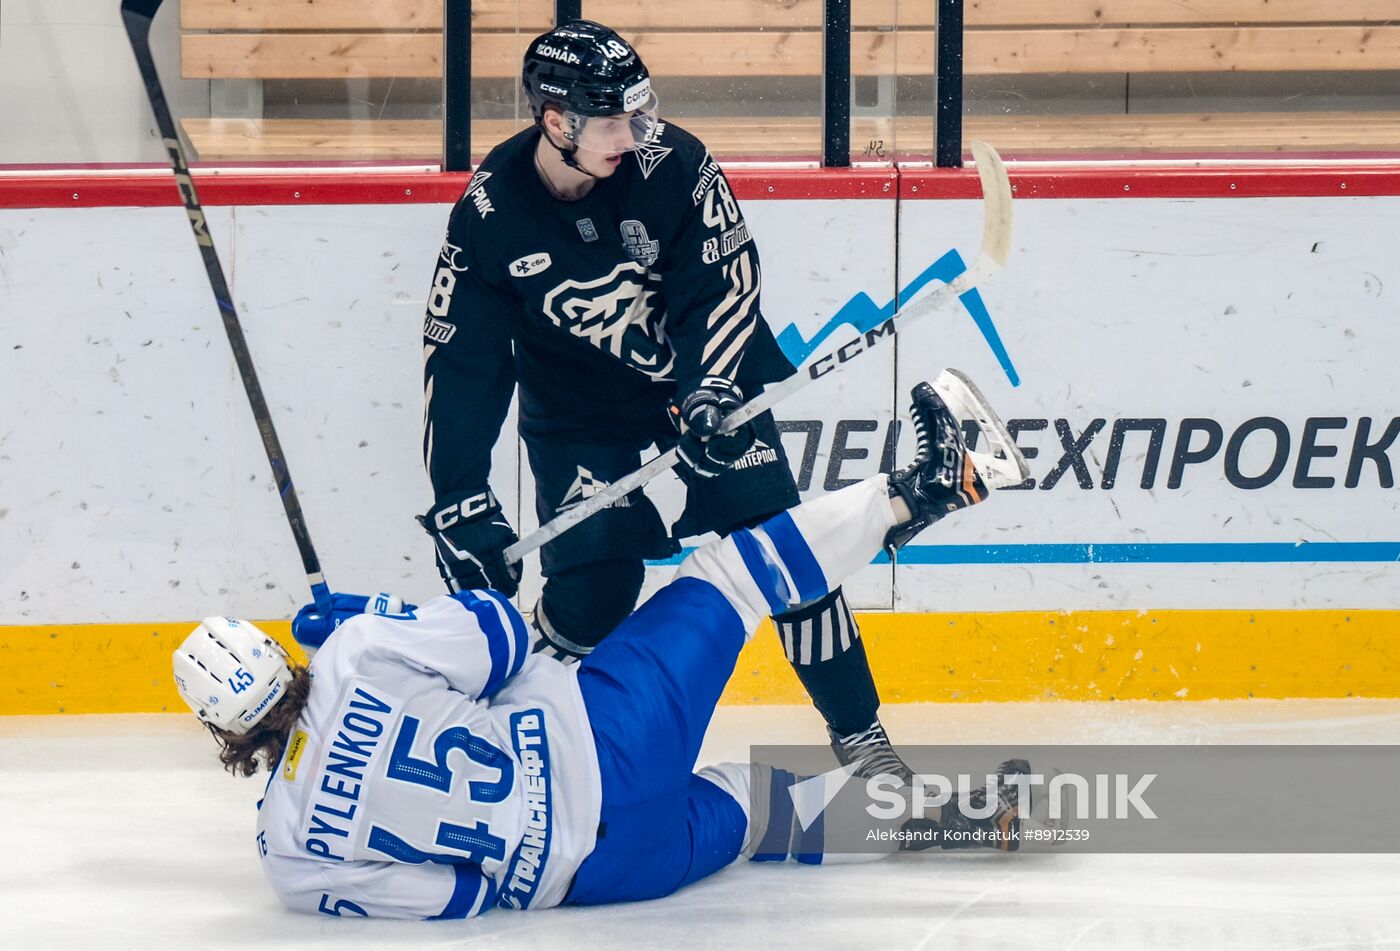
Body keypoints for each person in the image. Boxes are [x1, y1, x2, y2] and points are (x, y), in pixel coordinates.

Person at [175, 382, 1030, 919]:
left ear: (223, 733)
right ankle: (926, 485)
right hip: (606, 733)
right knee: (734, 576)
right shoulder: (356, 654)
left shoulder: (288, 854)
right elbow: (502, 636)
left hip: (607, 867)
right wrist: (377, 610)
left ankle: (945, 818)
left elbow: (456, 896)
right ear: (270, 654)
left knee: (761, 809)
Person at [417, 19, 907, 777]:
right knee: (595, 591)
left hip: (703, 375)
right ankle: (505, 722)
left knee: (780, 546)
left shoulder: (673, 163)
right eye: (614, 119)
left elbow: (725, 282)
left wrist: (709, 386)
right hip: (578, 405)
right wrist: (459, 497)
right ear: (556, 121)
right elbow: (463, 362)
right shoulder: (489, 213)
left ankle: (863, 739)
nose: (634, 131)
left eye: (638, 111)